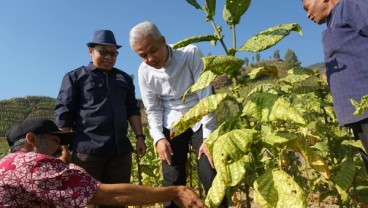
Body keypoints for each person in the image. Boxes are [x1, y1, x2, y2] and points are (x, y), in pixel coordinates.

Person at [0, 117, 207, 208]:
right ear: (31, 139)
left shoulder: (7, 163)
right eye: (55, 141)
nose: (58, 149)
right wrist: (174, 192)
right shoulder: (34, 164)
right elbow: (109, 195)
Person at [129, 21, 227, 208]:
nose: (150, 59)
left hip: (201, 116)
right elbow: (153, 109)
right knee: (172, 178)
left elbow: (206, 95)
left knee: (210, 171)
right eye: (143, 55)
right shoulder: (144, 72)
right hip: (172, 121)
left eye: (153, 50)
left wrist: (209, 137)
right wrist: (158, 138)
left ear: (163, 41)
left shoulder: (189, 53)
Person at [54, 29, 147, 205]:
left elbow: (132, 110)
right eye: (103, 52)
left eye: (113, 53)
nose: (108, 57)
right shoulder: (75, 77)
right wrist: (63, 148)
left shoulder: (124, 79)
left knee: (119, 201)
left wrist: (140, 137)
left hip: (120, 153)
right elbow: (64, 114)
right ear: (91, 51)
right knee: (87, 201)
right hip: (88, 154)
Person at [302, 0, 368, 169]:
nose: (307, 14)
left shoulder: (350, 6)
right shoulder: (334, 20)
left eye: (306, 7)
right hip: (358, 114)